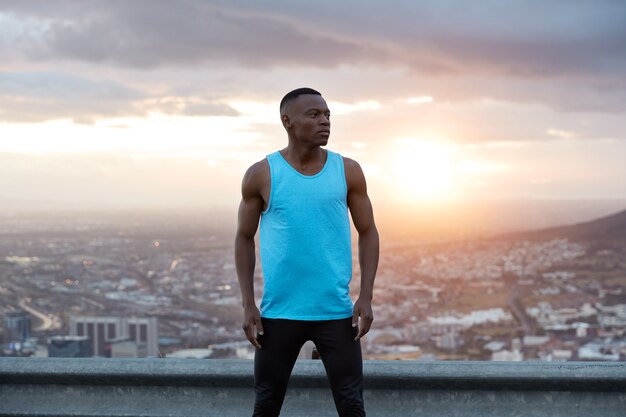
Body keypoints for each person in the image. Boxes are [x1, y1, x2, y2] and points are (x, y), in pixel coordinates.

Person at [235, 87, 379, 417]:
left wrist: (366, 296)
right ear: (287, 121)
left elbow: (368, 231)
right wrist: (247, 304)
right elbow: (243, 238)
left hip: (336, 313)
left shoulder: (348, 171)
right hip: (278, 314)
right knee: (266, 405)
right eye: (314, 115)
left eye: (327, 115)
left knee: (352, 406)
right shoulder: (262, 174)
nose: (324, 121)